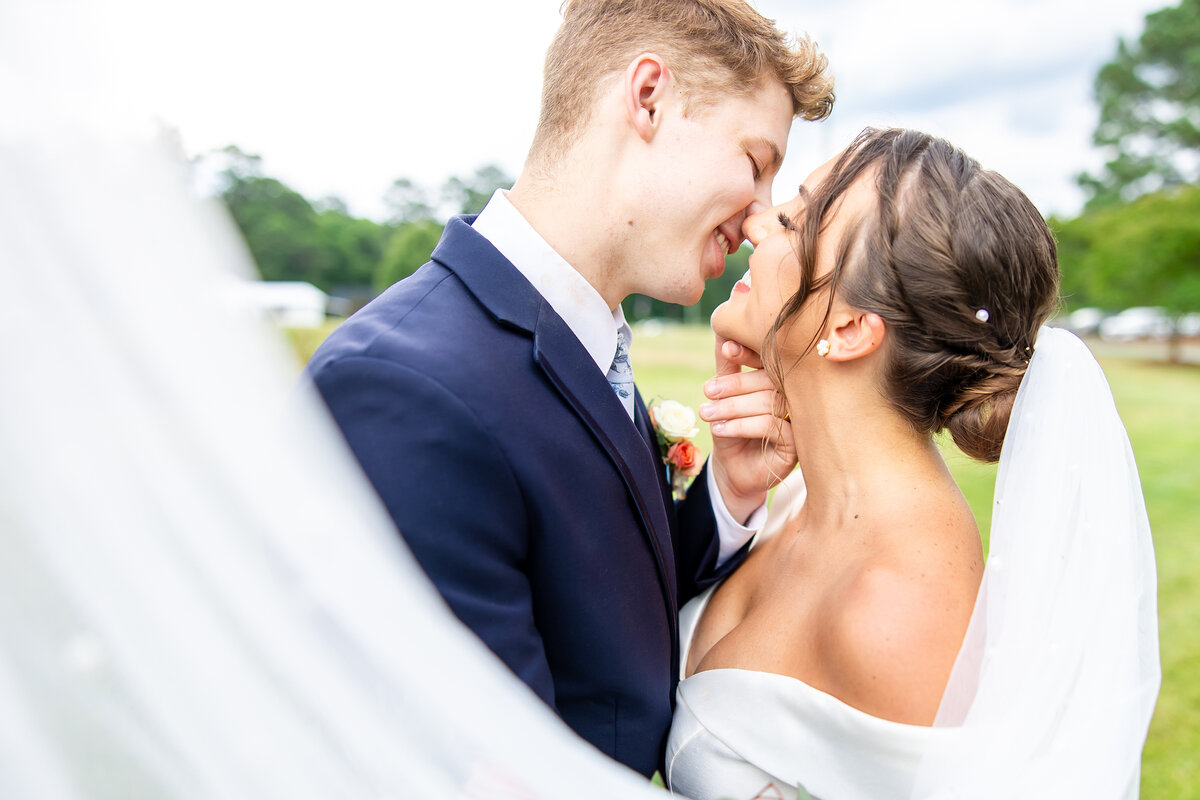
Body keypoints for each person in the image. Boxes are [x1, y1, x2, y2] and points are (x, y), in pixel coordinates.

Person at [303, 0, 834, 777]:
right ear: (648, 96)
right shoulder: (401, 388)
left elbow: (602, 611)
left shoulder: (585, 339)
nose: (760, 220)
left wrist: (727, 487)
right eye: (755, 163)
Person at [666, 128, 1160, 799]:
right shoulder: (793, 497)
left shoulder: (897, 611)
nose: (758, 223)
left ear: (848, 330)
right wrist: (728, 491)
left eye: (795, 218)